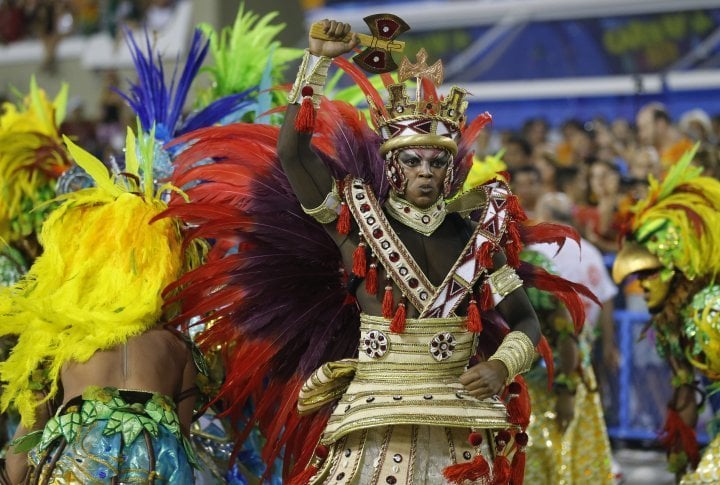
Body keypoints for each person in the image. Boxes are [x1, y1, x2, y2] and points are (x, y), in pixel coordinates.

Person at [162, 17, 592, 485]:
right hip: (373, 421)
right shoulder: (355, 221)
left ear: (450, 170)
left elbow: (527, 320)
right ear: (393, 166)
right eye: (412, 160)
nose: (425, 171)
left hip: (461, 419)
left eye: (437, 160)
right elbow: (294, 154)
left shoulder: (482, 236)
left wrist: (499, 366)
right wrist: (318, 62)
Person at [1, 132, 204, 484]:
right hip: (157, 466)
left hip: (79, 466)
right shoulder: (179, 349)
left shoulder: (59, 339)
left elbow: (29, 432)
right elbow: (182, 442)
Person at [613, 145, 720, 483]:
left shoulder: (710, 310)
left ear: (679, 269)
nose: (641, 285)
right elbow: (685, 390)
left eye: (649, 274)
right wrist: (680, 455)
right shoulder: (673, 319)